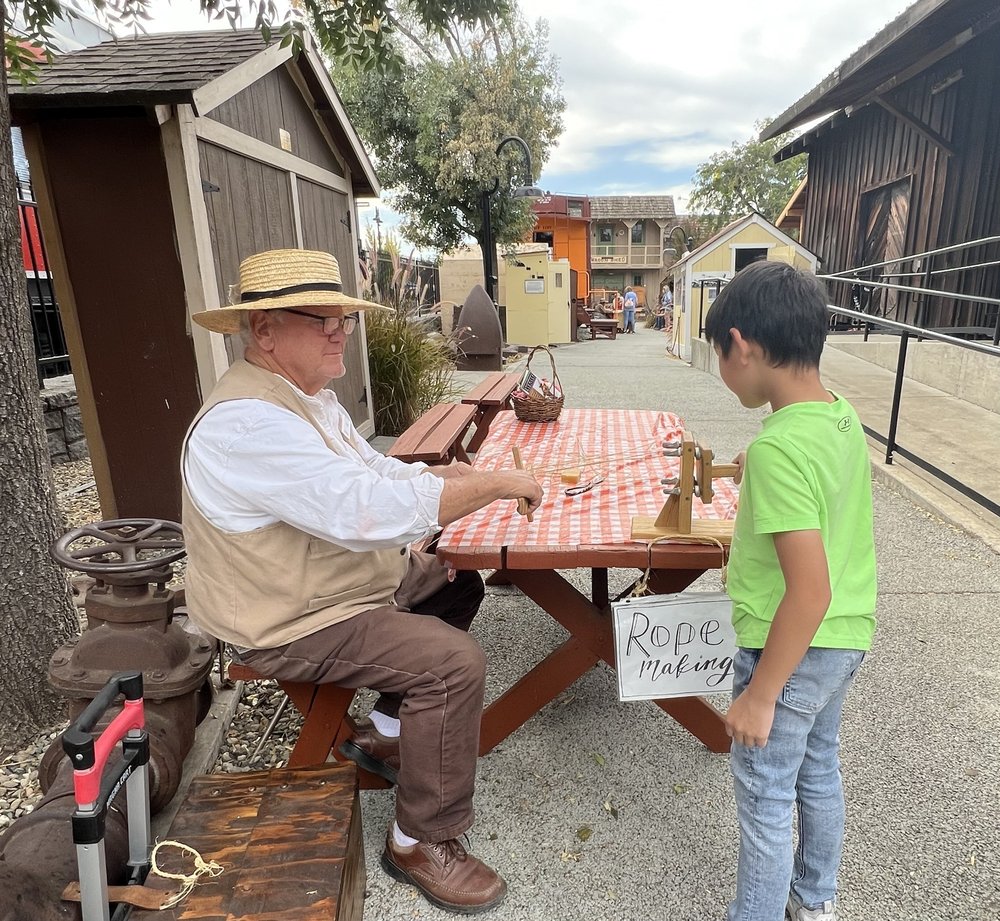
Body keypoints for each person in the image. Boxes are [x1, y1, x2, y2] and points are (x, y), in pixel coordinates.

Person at [181, 248, 543, 915]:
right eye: (320, 318)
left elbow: (374, 475)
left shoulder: (305, 400)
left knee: (456, 580)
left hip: (328, 589)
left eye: (343, 316)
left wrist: (453, 479)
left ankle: (385, 733)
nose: (338, 330)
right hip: (285, 619)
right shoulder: (247, 424)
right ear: (263, 330)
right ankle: (419, 841)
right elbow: (363, 512)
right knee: (452, 664)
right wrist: (492, 484)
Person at [702, 260, 877, 921]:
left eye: (720, 353)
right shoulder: (837, 419)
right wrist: (759, 456)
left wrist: (760, 694)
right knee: (819, 770)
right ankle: (815, 897)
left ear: (741, 345)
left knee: (767, 797)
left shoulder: (780, 451)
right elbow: (812, 478)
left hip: (791, 648)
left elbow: (808, 589)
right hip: (843, 644)